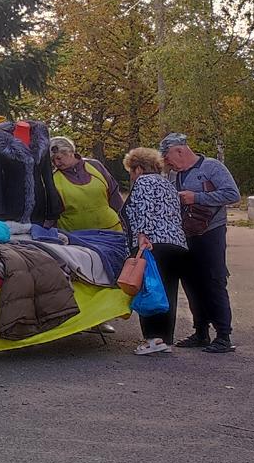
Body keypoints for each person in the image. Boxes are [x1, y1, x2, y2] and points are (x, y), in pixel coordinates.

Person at [160, 133, 241, 352]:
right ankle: (201, 332)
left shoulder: (212, 167)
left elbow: (233, 195)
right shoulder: (173, 176)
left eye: (167, 156)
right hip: (184, 235)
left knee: (213, 281)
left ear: (180, 150)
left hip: (210, 233)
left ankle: (224, 335)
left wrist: (196, 198)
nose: (166, 161)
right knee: (191, 283)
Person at [120, 147, 186, 356]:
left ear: (138, 169)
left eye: (131, 170)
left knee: (149, 288)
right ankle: (165, 339)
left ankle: (152, 338)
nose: (131, 175)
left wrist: (142, 236)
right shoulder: (168, 184)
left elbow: (144, 209)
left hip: (151, 244)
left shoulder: (143, 182)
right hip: (175, 244)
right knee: (168, 292)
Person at [48, 136, 124, 232]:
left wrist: (126, 222)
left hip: (111, 231)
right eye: (52, 160)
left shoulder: (95, 166)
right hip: (76, 237)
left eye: (58, 158)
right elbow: (51, 213)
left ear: (70, 152)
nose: (56, 163)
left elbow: (114, 195)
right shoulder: (54, 179)